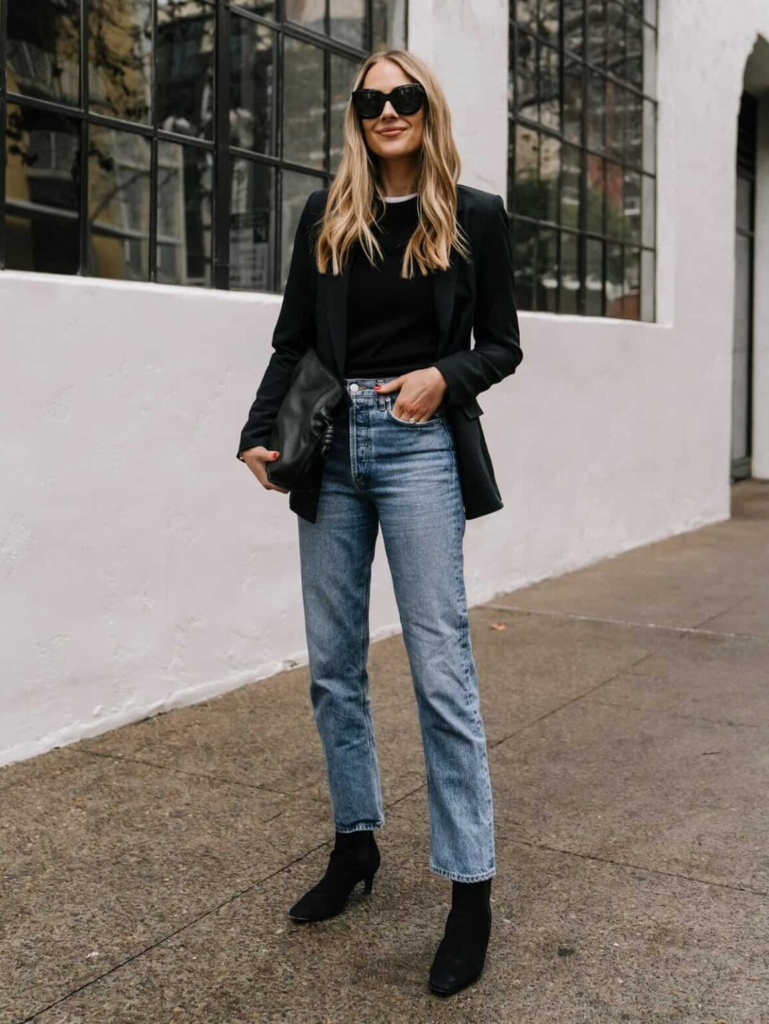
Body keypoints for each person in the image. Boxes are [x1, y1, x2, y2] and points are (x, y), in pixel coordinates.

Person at [237, 48, 522, 997]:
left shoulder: (472, 215)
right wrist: (256, 433)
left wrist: (446, 376)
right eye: (370, 101)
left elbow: (502, 345)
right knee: (333, 666)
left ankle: (469, 890)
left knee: (440, 667)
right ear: (356, 116)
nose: (387, 110)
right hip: (330, 446)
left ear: (425, 109)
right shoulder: (324, 216)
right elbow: (292, 341)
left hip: (419, 449)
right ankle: (356, 843)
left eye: (402, 98)